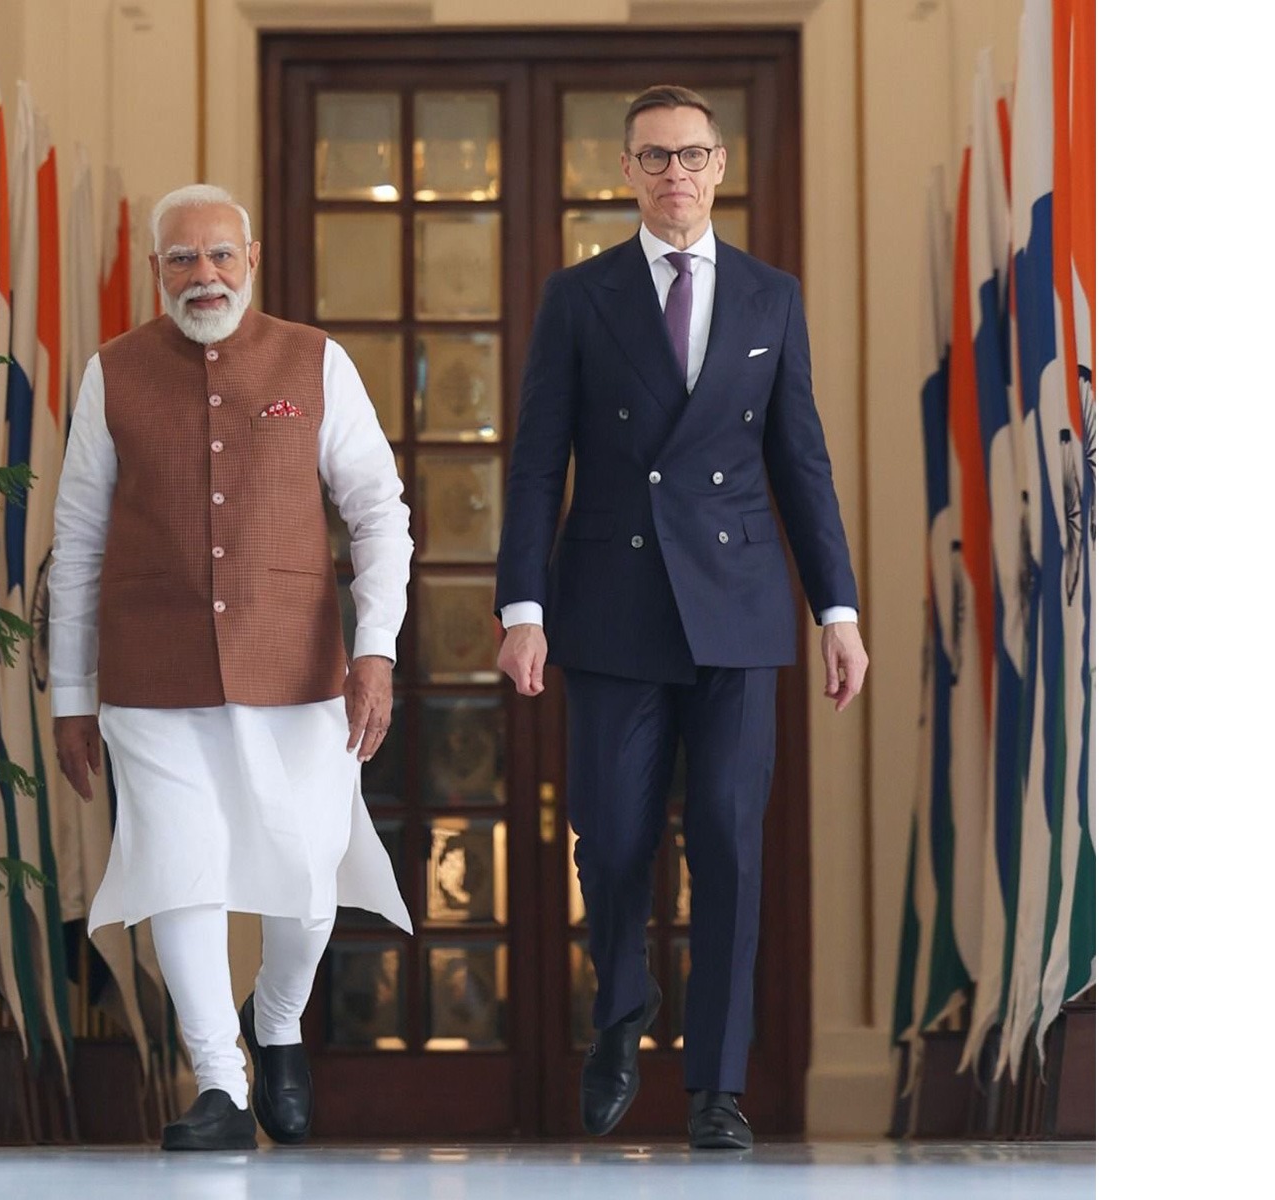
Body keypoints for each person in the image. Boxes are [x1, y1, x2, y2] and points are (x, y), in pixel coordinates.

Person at [494, 86, 868, 1150]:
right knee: (609, 840)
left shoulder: (769, 296)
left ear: (718, 166)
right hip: (609, 608)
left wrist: (834, 608)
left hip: (740, 612)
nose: (674, 174)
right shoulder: (578, 296)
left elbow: (800, 464)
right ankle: (622, 1003)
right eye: (653, 157)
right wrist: (522, 606)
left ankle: (716, 1088)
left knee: (728, 849)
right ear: (625, 171)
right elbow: (534, 467)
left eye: (692, 155)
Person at [49, 183, 413, 1152]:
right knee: (181, 870)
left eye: (219, 256)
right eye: (181, 259)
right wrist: (70, 695)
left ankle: (278, 1019)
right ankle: (219, 1082)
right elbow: (77, 538)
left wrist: (374, 651)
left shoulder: (314, 361)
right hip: (150, 668)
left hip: (300, 669)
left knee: (307, 875)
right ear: (157, 269)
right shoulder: (112, 372)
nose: (201, 275)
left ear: (250, 262)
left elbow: (380, 513)